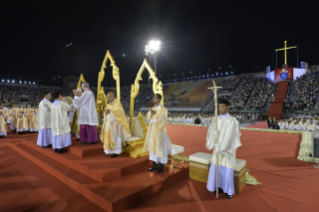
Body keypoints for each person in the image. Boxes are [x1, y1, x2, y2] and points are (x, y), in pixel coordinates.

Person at [205, 98, 242, 199]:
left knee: (227, 169)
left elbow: (232, 136)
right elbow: (211, 132)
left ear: (228, 107)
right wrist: (214, 135)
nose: (220, 108)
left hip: (226, 150)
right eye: (219, 106)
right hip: (217, 149)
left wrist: (221, 144)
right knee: (218, 169)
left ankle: (229, 190)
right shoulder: (216, 119)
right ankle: (219, 187)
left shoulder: (232, 121)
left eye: (222, 106)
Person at [143, 94, 175, 173]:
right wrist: (151, 114)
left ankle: (161, 166)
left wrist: (155, 114)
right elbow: (148, 117)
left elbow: (163, 119)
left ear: (159, 99)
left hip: (159, 130)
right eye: (153, 97)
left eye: (155, 97)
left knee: (160, 148)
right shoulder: (152, 108)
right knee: (153, 147)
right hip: (152, 129)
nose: (153, 99)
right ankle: (154, 164)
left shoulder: (163, 109)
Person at [100, 92, 131, 158]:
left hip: (115, 124)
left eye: (109, 97)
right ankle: (108, 150)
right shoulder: (110, 104)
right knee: (108, 137)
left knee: (115, 137)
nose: (108, 99)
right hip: (108, 123)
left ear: (112, 97)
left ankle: (116, 152)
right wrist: (106, 112)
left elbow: (119, 112)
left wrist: (110, 112)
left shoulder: (117, 103)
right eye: (107, 97)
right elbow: (107, 111)